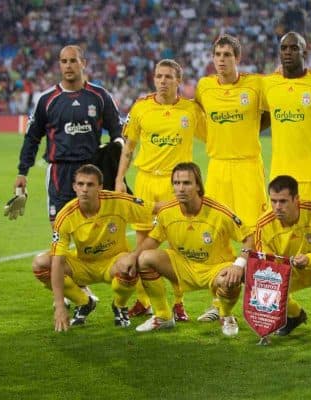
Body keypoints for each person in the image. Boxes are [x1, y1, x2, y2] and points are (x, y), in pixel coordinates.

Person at [114, 59, 207, 322]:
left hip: (175, 184)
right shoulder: (141, 107)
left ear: (179, 80)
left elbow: (214, 136)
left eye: (168, 76)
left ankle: (178, 303)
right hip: (145, 182)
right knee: (142, 244)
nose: (162, 81)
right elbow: (129, 146)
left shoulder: (190, 110)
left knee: (176, 245)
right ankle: (145, 300)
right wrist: (120, 178)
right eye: (158, 76)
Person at [124, 162, 253, 337]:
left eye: (186, 183)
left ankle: (226, 315)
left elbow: (249, 237)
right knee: (144, 258)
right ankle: (163, 316)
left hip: (214, 269)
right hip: (182, 266)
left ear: (198, 185)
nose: (181, 188)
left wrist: (239, 265)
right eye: (176, 183)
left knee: (230, 280)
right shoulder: (166, 212)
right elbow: (153, 240)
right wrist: (133, 256)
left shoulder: (219, 212)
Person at [194, 34, 269, 322]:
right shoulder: (204, 87)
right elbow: (196, 113)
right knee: (217, 235)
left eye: (227, 54)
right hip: (218, 168)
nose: (221, 60)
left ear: (238, 58)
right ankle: (218, 302)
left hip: (248, 167)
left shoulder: (255, 85)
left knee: (254, 234)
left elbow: (274, 108)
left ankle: (262, 301)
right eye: (218, 54)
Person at [31, 164, 155, 332]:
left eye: (90, 184)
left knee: (130, 264)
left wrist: (191, 204)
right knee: (41, 263)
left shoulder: (118, 201)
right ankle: (84, 302)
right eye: (80, 184)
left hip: (114, 263)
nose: (84, 189)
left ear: (100, 187)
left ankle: (119, 306)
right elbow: (58, 261)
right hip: (83, 265)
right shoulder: (65, 216)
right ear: (74, 187)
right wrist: (60, 305)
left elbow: (155, 209)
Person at [14, 45, 123, 224]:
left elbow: (117, 133)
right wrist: (22, 173)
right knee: (59, 230)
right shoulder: (46, 100)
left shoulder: (100, 96)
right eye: (64, 61)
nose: (68, 66)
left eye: (73, 61)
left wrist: (117, 170)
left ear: (83, 63)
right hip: (59, 172)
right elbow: (32, 138)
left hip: (92, 170)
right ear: (59, 65)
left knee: (95, 232)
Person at [255, 175, 311, 343]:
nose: (277, 207)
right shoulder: (263, 225)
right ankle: (294, 314)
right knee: (253, 276)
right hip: (289, 271)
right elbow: (265, 266)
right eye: (273, 201)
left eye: (283, 201)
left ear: (296, 199)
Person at [260, 32, 311, 215]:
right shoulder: (268, 85)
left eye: (294, 48)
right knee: (282, 239)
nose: (288, 52)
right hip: (280, 178)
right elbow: (256, 124)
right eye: (284, 48)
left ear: (304, 53)